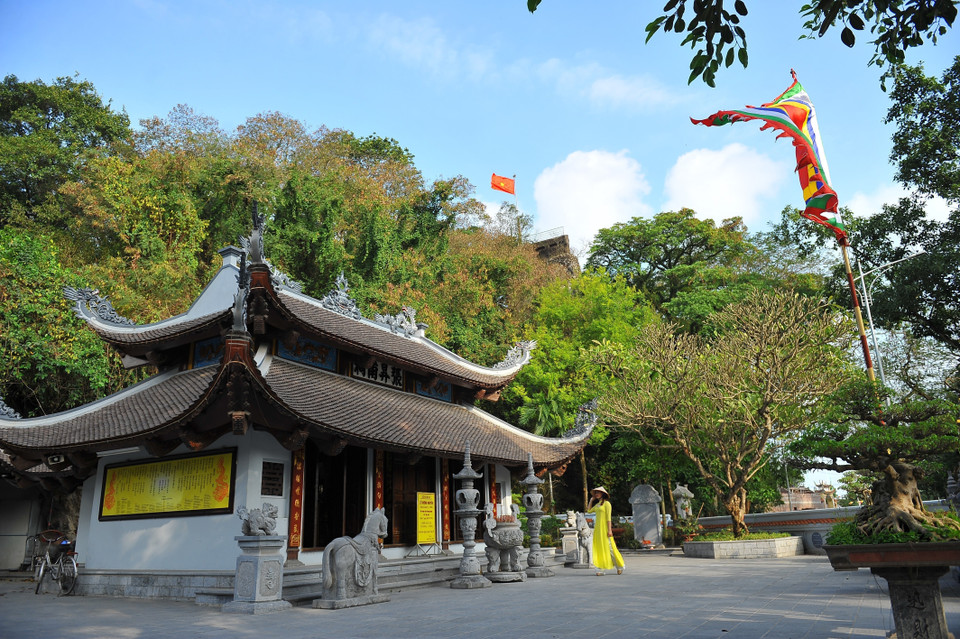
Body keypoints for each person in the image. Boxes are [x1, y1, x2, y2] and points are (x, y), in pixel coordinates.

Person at [587, 486, 625, 576]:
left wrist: (609, 530)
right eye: (595, 493)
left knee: (610, 548)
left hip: (605, 529)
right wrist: (591, 500)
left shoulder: (607, 504)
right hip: (598, 530)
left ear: (602, 494)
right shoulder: (597, 505)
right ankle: (600, 569)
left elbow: (608, 518)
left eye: (598, 492)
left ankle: (619, 566)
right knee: (600, 549)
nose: (596, 494)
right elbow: (588, 511)